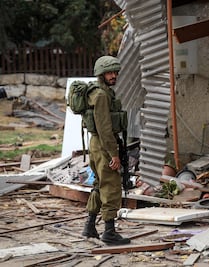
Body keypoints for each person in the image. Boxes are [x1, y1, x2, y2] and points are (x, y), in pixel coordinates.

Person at [82, 55, 130, 245]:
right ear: (101, 74)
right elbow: (104, 128)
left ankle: (90, 226)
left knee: (99, 184)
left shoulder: (98, 92)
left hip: (97, 144)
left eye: (115, 72)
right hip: (103, 145)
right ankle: (109, 231)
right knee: (110, 186)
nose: (114, 75)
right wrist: (114, 154)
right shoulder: (101, 95)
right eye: (109, 72)